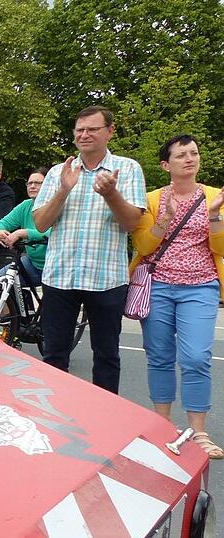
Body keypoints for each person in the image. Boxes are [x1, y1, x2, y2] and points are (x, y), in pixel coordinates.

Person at [33, 105, 146, 394]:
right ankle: (54, 416)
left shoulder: (128, 168)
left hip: (106, 279)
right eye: (80, 130)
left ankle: (105, 421)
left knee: (106, 356)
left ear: (110, 131)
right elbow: (42, 223)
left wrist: (111, 194)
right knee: (54, 356)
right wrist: (63, 189)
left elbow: (132, 222)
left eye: (92, 129)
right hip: (60, 277)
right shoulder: (60, 172)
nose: (85, 135)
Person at [130, 135, 224, 458]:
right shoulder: (151, 199)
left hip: (201, 286)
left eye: (194, 153)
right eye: (181, 154)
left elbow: (220, 249)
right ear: (165, 164)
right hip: (157, 286)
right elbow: (143, 247)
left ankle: (199, 431)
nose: (189, 158)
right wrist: (166, 219)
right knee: (159, 356)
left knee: (197, 357)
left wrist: (214, 215)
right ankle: (163, 424)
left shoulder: (215, 196)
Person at [0, 168, 50, 287]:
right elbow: (0, 223)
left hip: (55, 266)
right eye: (29, 183)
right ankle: (19, 305)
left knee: (50, 302)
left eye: (38, 183)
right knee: (0, 281)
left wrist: (23, 233)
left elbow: (53, 233)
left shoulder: (56, 205)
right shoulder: (25, 206)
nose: (32, 186)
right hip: (33, 263)